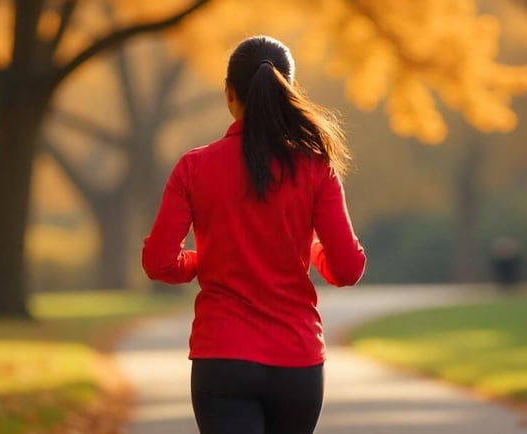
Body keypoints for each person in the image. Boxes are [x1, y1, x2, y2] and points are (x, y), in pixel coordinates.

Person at [142, 35, 366, 434]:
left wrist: (197, 260)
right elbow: (347, 268)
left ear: (230, 94)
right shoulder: (316, 168)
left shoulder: (194, 168)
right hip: (297, 362)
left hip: (222, 360)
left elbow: (158, 262)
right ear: (290, 92)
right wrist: (313, 251)